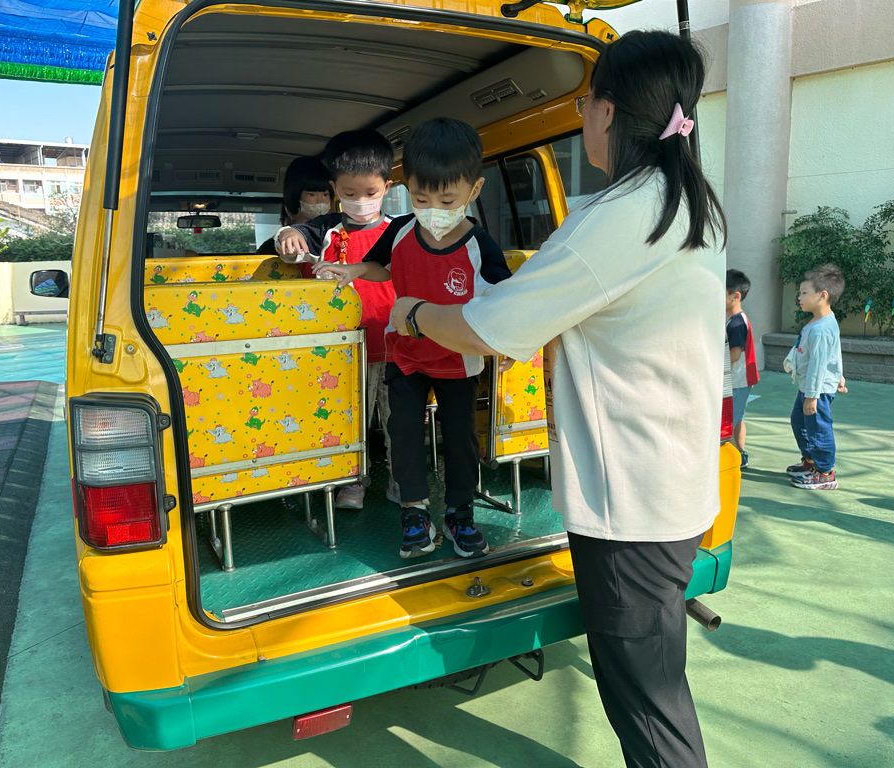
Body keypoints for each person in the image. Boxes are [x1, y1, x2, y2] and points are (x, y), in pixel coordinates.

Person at [387, 31, 725, 767]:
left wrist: (411, 313)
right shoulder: (687, 201)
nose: (583, 117)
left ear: (607, 111)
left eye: (584, 103)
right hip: (674, 479)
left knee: (647, 701)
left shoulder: (621, 216)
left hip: (632, 500)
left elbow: (488, 328)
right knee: (652, 678)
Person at [313, 117, 512, 559]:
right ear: (407, 189)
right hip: (405, 354)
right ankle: (414, 512)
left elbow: (504, 302)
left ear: (474, 191)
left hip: (458, 358)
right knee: (403, 432)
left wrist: (509, 346)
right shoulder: (401, 230)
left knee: (460, 438)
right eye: (421, 198)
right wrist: (353, 269)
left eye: (447, 200)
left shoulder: (480, 246)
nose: (433, 209)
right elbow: (380, 266)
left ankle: (459, 513)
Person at [275, 130, 397, 509]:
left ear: (387, 187)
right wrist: (288, 234)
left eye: (370, 192)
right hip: (344, 351)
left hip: (396, 345)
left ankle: (402, 479)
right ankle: (353, 480)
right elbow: (290, 239)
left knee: (399, 420)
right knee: (350, 420)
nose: (360, 201)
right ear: (334, 189)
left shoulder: (400, 230)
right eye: (349, 193)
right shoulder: (325, 229)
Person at [783, 263, 848, 490]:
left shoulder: (821, 328)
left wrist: (812, 396)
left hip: (816, 390)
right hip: (810, 387)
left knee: (818, 429)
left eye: (804, 293)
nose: (799, 297)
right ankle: (810, 461)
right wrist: (839, 374)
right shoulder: (820, 321)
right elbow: (833, 353)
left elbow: (819, 365)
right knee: (799, 421)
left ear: (822, 295)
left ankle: (825, 473)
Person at [255, 156, 332, 254]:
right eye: (311, 194)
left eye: (326, 194)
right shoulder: (271, 248)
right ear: (294, 197)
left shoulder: (335, 239)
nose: (320, 201)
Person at [725, 268, 759, 468]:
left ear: (735, 296)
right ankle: (740, 453)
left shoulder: (736, 323)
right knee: (738, 419)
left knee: (729, 421)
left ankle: (735, 456)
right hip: (741, 379)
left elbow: (735, 354)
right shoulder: (735, 319)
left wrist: (715, 367)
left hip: (738, 380)